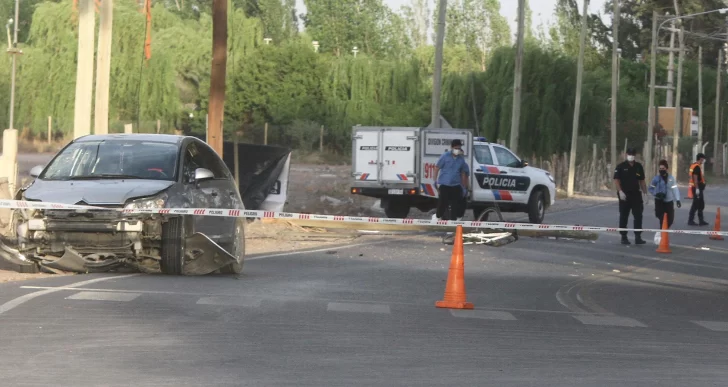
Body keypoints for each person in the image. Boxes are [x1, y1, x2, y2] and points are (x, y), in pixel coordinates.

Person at [613, 147, 648, 245]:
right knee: (624, 215)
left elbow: (642, 180)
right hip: (624, 194)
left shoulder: (638, 166)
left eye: (632, 154)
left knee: (638, 215)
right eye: (629, 154)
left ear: (635, 155)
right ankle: (624, 236)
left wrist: (645, 193)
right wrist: (620, 191)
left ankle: (638, 236)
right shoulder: (620, 166)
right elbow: (616, 180)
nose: (631, 156)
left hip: (636, 194)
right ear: (626, 154)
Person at [432, 139, 470, 221]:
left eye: (459, 148)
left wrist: (463, 187)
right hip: (444, 184)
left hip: (455, 185)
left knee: (455, 205)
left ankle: (452, 222)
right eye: (456, 148)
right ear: (452, 147)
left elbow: (463, 173)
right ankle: (437, 217)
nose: (457, 150)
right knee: (442, 203)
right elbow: (437, 168)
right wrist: (434, 180)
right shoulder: (445, 156)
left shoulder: (461, 159)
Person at [648, 160, 681, 229]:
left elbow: (675, 189)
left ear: (666, 169)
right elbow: (650, 188)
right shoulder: (656, 179)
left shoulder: (671, 179)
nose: (661, 170)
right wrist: (656, 194)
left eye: (663, 169)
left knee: (670, 220)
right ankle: (661, 233)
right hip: (659, 201)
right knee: (662, 218)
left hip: (669, 201)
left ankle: (662, 232)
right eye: (660, 169)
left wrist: (678, 199)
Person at [688, 153, 709, 226]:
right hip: (697, 188)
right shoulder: (696, 167)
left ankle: (701, 220)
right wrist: (697, 189)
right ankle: (690, 220)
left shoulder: (695, 165)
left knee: (700, 204)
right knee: (696, 204)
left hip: (698, 188)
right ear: (700, 158)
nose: (703, 160)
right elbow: (695, 178)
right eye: (703, 159)